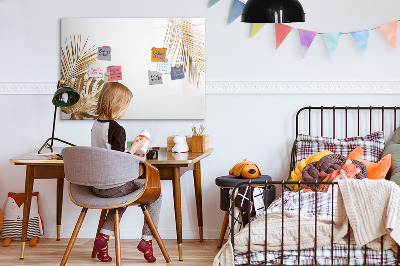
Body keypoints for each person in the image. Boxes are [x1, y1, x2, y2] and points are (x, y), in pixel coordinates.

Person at [91, 82, 161, 263]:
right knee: (156, 194)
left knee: (121, 197)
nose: (126, 110)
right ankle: (147, 240)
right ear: (117, 105)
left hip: (97, 186)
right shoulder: (117, 129)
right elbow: (119, 161)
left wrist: (131, 149)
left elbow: (108, 154)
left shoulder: (96, 125)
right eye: (126, 105)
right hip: (114, 186)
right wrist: (136, 148)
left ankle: (103, 238)